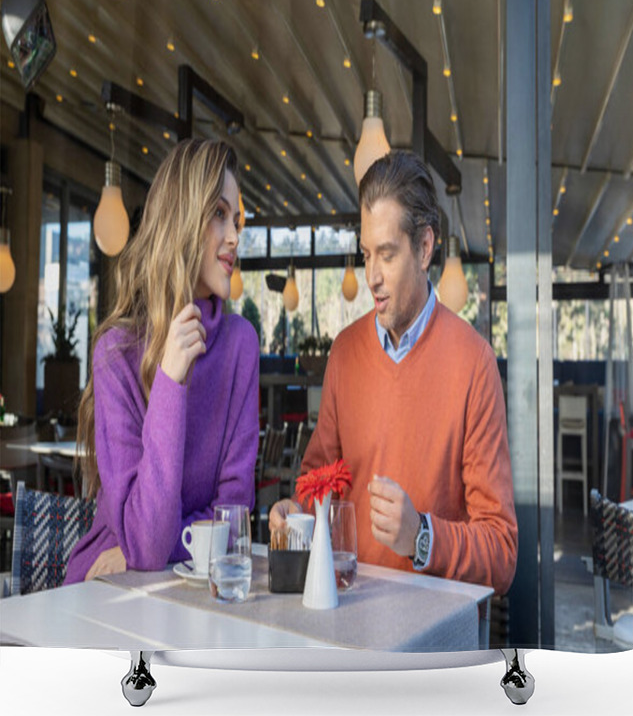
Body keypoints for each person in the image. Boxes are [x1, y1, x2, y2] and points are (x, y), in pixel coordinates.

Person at [270, 151, 518, 595]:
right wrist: (297, 511)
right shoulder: (344, 353)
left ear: (424, 248)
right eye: (366, 254)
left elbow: (501, 554)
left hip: (437, 641)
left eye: (386, 254)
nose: (371, 277)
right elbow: (318, 484)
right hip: (349, 617)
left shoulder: (475, 364)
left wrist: (421, 537)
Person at [64, 139, 260, 584]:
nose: (234, 237)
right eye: (218, 214)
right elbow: (148, 544)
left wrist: (151, 547)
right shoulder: (116, 352)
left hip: (184, 583)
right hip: (108, 585)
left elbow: (233, 517)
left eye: (237, 219)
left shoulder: (239, 345)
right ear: (182, 221)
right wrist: (171, 381)